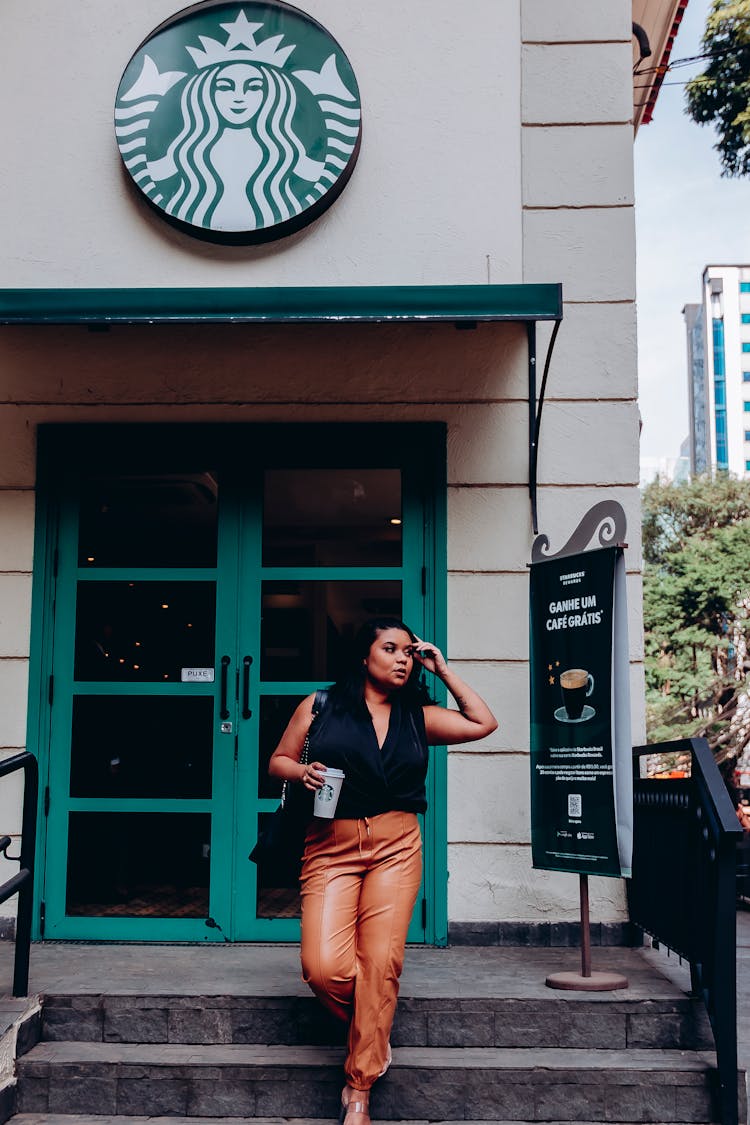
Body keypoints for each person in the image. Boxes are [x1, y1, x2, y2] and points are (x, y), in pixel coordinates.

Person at [269, 617, 498, 1125]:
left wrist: (443, 670)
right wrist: (301, 771)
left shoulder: (419, 714)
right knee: (323, 966)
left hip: (397, 846)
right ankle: (372, 1025)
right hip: (329, 845)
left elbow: (483, 723)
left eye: (409, 652)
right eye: (390, 648)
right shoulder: (320, 706)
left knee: (381, 962)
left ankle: (359, 1088)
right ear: (363, 656)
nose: (402, 658)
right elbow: (278, 761)